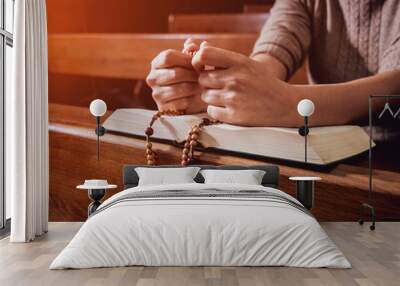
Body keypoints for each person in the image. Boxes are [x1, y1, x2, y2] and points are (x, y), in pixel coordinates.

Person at [146, 0, 400, 127]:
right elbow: (271, 57)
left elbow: (393, 87)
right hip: (328, 162)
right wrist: (218, 86)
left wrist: (291, 104)